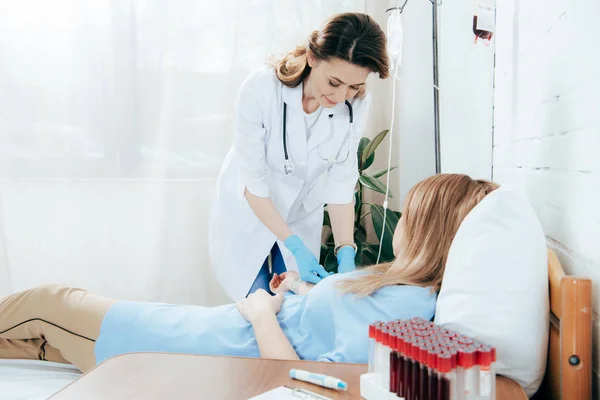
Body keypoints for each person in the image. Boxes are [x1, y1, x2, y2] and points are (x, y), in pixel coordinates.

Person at [0, 174, 498, 373]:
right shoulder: (403, 292)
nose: (402, 223)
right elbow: (325, 329)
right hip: (213, 330)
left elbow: (301, 381)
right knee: (42, 339)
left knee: (49, 303)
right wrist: (300, 292)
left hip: (195, 347)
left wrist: (262, 313)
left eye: (411, 216)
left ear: (433, 231)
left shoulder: (405, 310)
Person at [208, 12, 390, 301]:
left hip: (300, 214)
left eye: (354, 86)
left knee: (293, 305)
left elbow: (341, 183)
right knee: (256, 304)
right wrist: (293, 246)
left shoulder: (356, 105)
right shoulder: (261, 89)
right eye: (334, 82)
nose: (342, 95)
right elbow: (253, 183)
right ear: (312, 57)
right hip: (250, 210)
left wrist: (345, 249)